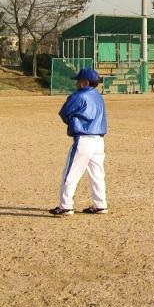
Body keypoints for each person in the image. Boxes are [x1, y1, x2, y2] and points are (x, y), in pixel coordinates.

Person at [50, 67, 108, 217]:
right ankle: (100, 204)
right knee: (97, 175)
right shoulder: (98, 96)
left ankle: (65, 206)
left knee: (70, 173)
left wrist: (72, 121)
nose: (76, 83)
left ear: (85, 82)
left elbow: (64, 113)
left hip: (83, 139)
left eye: (78, 80)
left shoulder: (79, 96)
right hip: (99, 140)